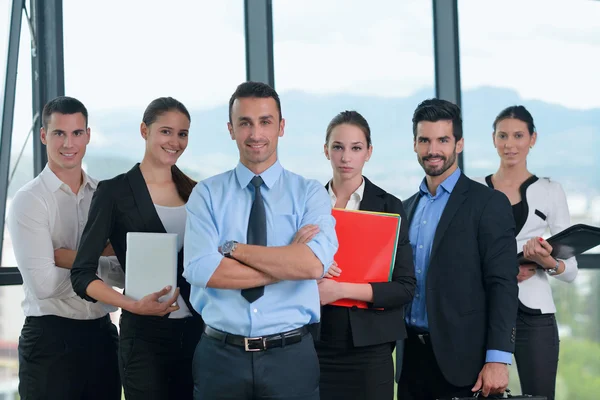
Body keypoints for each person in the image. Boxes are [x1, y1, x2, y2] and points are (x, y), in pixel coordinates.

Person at [184, 81, 339, 400]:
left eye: (265, 122)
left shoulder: (310, 194)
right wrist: (288, 261)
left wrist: (233, 250)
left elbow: (312, 264)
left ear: (281, 127)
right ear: (231, 129)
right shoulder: (207, 195)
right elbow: (203, 270)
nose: (256, 134)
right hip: (220, 358)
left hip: (290, 358)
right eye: (245, 123)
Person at [70, 97, 204, 400]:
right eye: (166, 131)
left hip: (198, 334)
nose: (175, 141)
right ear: (145, 130)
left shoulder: (197, 192)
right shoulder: (114, 191)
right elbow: (81, 274)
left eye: (182, 134)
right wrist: (131, 304)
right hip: (144, 338)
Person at [397, 98, 519, 399]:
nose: (433, 149)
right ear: (414, 144)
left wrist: (498, 358)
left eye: (443, 140)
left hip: (466, 364)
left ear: (459, 144)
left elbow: (503, 285)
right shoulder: (404, 209)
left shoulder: (488, 204)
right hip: (410, 360)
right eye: (424, 140)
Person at [7, 96, 122, 399]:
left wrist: (69, 259)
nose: (68, 143)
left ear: (87, 135)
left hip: (103, 336)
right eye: (59, 133)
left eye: (76, 133)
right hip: (50, 340)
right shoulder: (29, 200)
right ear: (44, 135)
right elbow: (43, 285)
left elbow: (125, 273)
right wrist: (102, 257)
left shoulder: (104, 195)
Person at [313, 110, 416, 399]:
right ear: (326, 150)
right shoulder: (308, 206)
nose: (346, 157)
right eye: (338, 147)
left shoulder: (389, 207)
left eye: (356, 148)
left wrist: (339, 289)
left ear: (368, 152)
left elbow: (405, 287)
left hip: (371, 348)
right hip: (316, 343)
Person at [478, 105, 577, 400]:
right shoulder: (476, 191)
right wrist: (504, 270)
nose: (510, 144)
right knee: (482, 394)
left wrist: (548, 262)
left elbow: (570, 271)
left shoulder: (550, 190)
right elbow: (465, 257)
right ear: (493, 139)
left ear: (532, 139)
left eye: (518, 135)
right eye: (503, 135)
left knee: (540, 395)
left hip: (535, 316)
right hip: (486, 312)